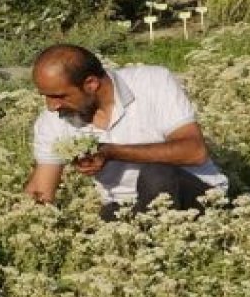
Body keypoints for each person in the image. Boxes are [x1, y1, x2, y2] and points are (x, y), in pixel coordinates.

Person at [23, 44, 227, 220]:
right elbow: (41, 191)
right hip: (125, 207)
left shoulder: (153, 82)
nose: (51, 106)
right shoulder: (53, 121)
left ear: (91, 84)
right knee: (102, 232)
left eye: (59, 96)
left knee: (157, 174)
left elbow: (194, 151)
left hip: (199, 199)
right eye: (46, 96)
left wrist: (110, 152)